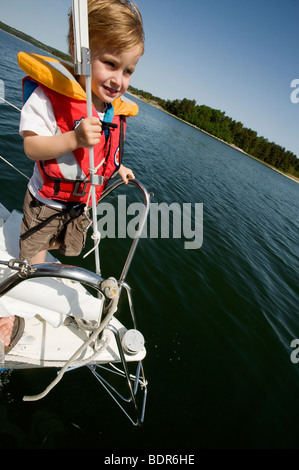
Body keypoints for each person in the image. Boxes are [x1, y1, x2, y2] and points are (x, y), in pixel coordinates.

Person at [0, 0, 144, 352]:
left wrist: (118, 168)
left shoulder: (109, 110)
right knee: (32, 257)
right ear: (81, 53)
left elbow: (100, 156)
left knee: (64, 246)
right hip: (46, 201)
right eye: (110, 64)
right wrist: (75, 138)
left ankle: (45, 270)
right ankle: (15, 307)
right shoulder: (51, 98)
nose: (118, 80)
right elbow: (33, 149)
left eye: (128, 71)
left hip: (78, 207)